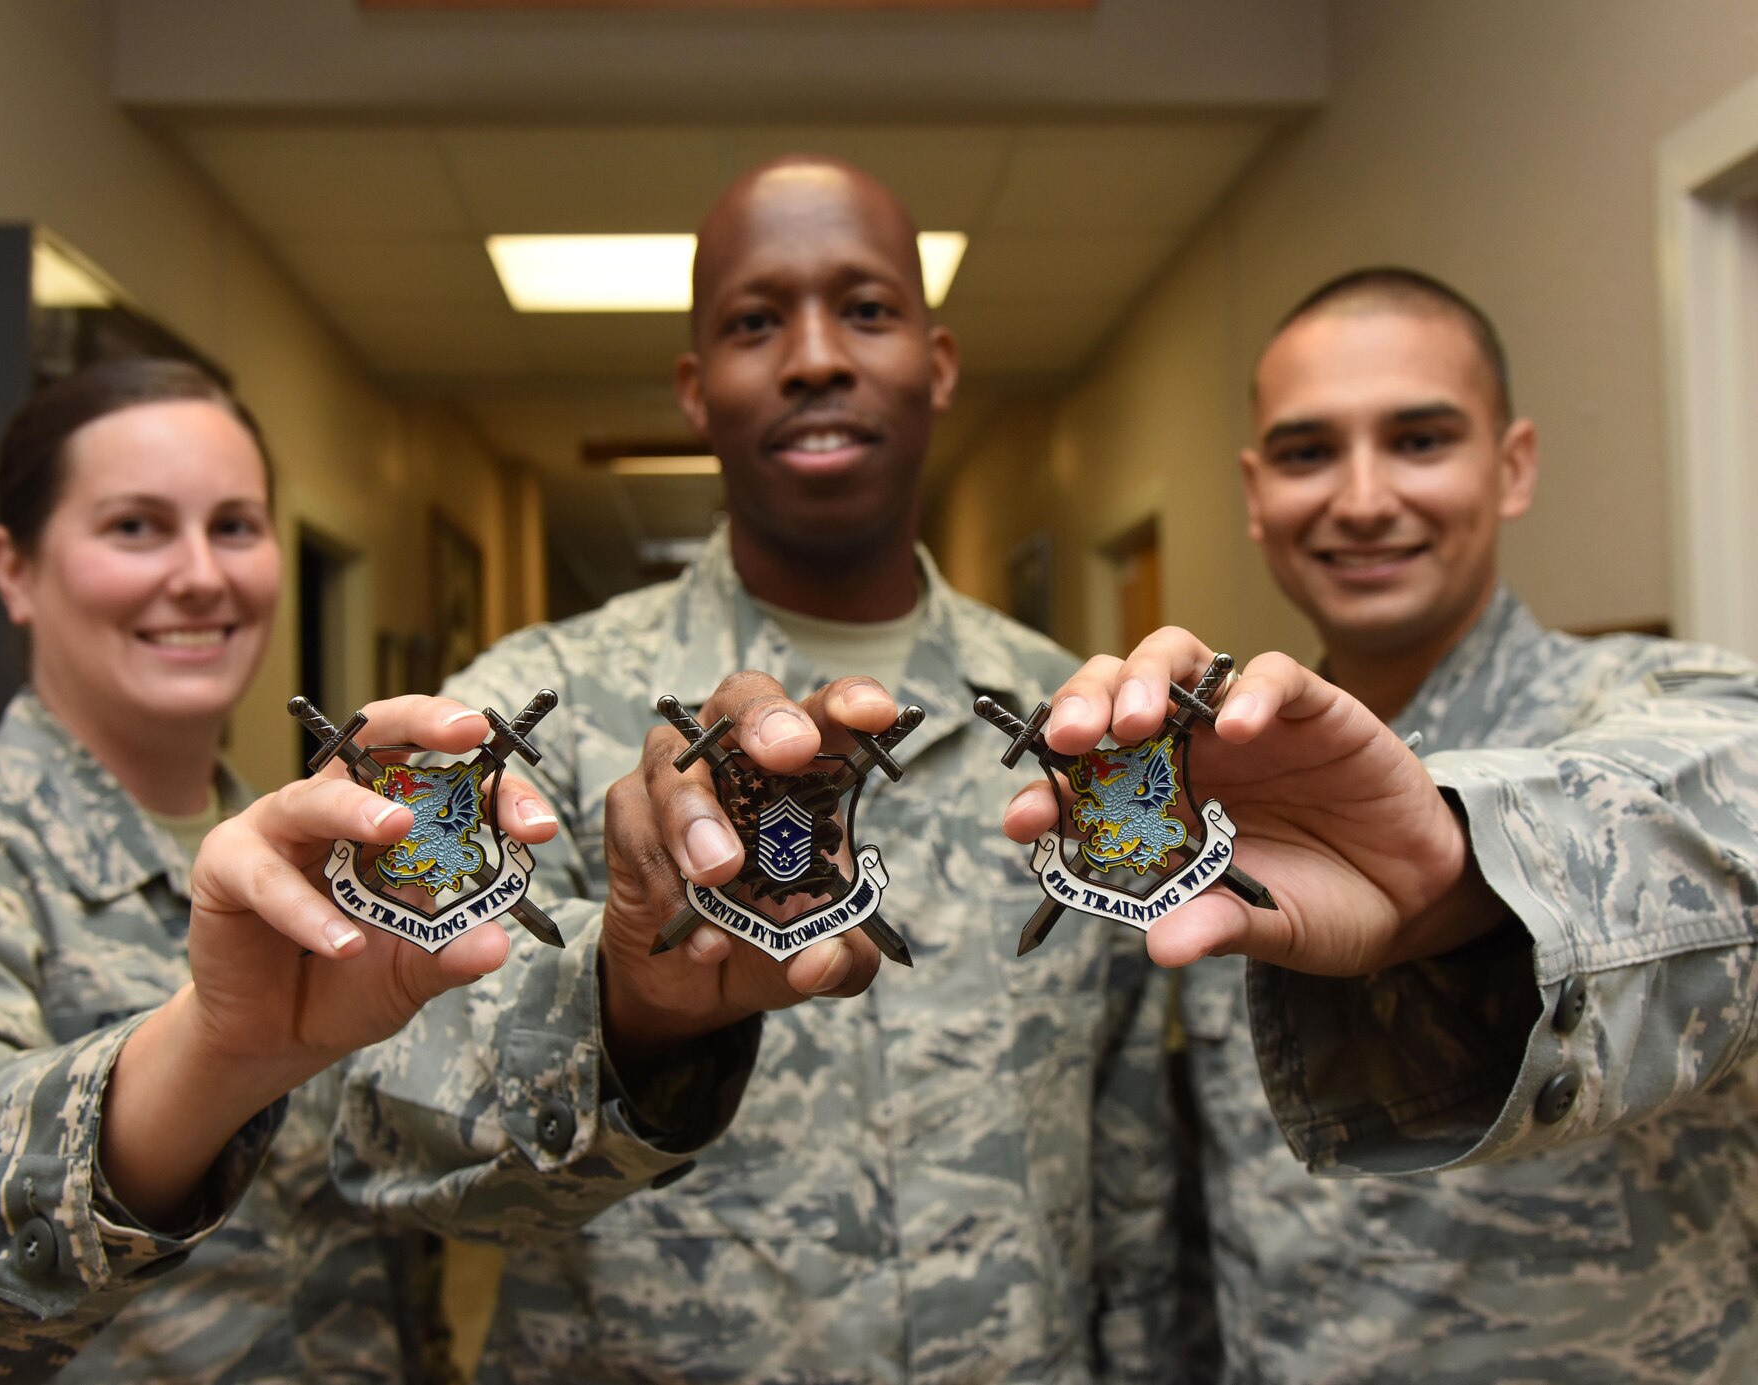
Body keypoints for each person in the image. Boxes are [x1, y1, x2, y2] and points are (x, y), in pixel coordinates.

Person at [325, 158, 1174, 1382]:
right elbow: (381, 1134)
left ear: (937, 364)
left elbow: (1131, 1157)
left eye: (866, 310)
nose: (815, 356)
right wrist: (625, 1013)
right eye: (753, 321)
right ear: (693, 388)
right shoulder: (526, 715)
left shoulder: (1074, 722)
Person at [1006, 268, 1758, 1382]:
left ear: (1509, 465)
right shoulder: (1203, 798)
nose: (1360, 498)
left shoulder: (1673, 703)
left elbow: (1715, 814)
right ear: (1255, 493)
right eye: (1308, 453)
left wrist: (1458, 872)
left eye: (1417, 439)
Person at [0, 359, 556, 1382]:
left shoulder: (338, 857)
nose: (200, 574)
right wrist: (210, 1055)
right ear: (13, 567)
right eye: (134, 526)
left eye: (234, 525)